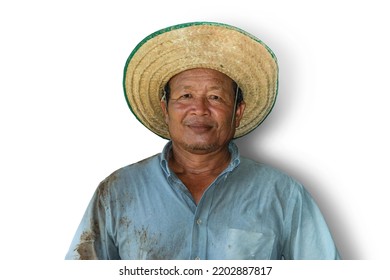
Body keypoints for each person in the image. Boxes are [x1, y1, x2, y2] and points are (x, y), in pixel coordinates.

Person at [65, 22, 340, 260]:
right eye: (185, 96)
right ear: (165, 109)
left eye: (216, 97)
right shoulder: (117, 192)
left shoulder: (283, 194)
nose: (199, 109)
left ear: (238, 112)